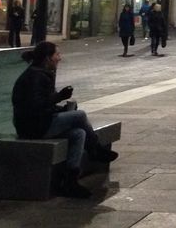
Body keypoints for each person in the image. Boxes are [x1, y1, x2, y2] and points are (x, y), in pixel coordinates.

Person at [11, 41, 118, 198]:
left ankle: (70, 180)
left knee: (79, 133)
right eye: (57, 54)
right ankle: (95, 149)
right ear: (48, 58)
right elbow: (35, 106)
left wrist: (62, 109)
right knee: (80, 115)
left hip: (41, 122)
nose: (59, 58)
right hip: (33, 126)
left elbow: (44, 105)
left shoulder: (42, 74)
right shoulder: (35, 76)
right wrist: (59, 97)